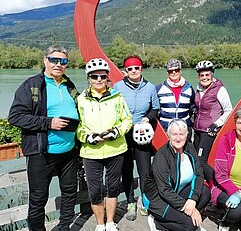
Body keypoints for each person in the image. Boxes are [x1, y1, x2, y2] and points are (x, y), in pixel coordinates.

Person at [8, 45, 79, 231]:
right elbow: (15, 116)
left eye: (63, 61)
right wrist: (48, 123)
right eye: (54, 60)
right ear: (45, 61)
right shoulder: (32, 85)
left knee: (70, 192)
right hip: (42, 152)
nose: (58, 64)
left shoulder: (69, 85)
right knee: (39, 198)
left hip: (69, 151)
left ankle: (65, 227)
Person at [76, 58, 132, 231]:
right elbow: (77, 126)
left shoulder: (117, 96)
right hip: (91, 152)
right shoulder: (81, 99)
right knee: (95, 190)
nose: (99, 80)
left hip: (115, 149)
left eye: (102, 76)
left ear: (108, 77)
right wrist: (88, 137)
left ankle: (110, 222)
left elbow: (127, 120)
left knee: (112, 187)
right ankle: (100, 224)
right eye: (94, 77)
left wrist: (116, 131)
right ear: (89, 78)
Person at [113, 55, 160, 220]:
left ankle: (146, 202)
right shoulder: (117, 87)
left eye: (136, 68)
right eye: (130, 68)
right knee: (125, 169)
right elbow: (113, 109)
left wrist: (148, 117)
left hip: (142, 133)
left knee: (145, 171)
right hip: (124, 134)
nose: (133, 71)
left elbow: (155, 109)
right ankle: (130, 202)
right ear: (125, 71)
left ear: (141, 69)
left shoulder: (150, 87)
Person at [142, 119, 211, 231]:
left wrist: (192, 200)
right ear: (168, 136)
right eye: (174, 134)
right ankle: (157, 222)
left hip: (177, 192)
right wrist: (187, 206)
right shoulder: (162, 156)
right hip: (158, 199)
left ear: (186, 135)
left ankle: (190, 218)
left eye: (181, 134)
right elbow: (164, 190)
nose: (178, 138)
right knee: (190, 225)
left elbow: (198, 174)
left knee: (205, 192)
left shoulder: (190, 148)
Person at [193, 60, 233, 182]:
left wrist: (216, 124)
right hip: (197, 130)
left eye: (207, 74)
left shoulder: (219, 89)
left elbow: (229, 110)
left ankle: (217, 185)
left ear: (212, 74)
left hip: (209, 131)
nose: (204, 77)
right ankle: (201, 188)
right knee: (195, 160)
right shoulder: (199, 89)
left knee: (200, 160)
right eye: (201, 75)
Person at [156, 59, 195, 138]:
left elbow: (192, 107)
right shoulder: (159, 88)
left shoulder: (189, 88)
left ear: (180, 71)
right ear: (167, 73)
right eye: (171, 71)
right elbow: (155, 108)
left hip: (184, 127)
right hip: (165, 128)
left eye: (176, 70)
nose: (174, 72)